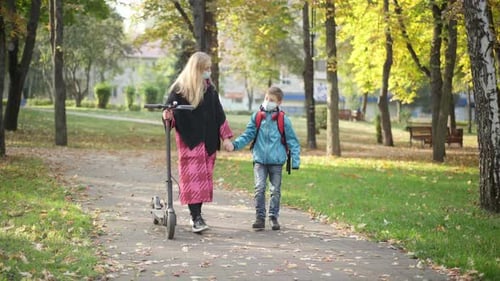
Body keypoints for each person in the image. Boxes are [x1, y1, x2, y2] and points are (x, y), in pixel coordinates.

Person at [162, 51, 233, 233]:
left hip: (208, 142)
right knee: (192, 182)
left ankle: (198, 216)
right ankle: (196, 218)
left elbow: (219, 115)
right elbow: (170, 116)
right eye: (206, 69)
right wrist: (167, 117)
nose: (208, 72)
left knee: (202, 182)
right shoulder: (179, 90)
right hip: (189, 142)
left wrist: (226, 138)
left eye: (209, 69)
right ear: (196, 70)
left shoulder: (210, 90)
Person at [225, 86, 300, 230]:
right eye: (266, 98)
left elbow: (293, 142)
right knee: (259, 188)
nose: (267, 101)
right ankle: (260, 217)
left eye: (271, 100)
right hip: (259, 159)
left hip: (276, 162)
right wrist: (235, 145)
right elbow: (248, 135)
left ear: (279, 102)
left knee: (275, 190)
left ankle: (273, 216)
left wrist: (295, 161)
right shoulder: (257, 116)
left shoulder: (283, 120)